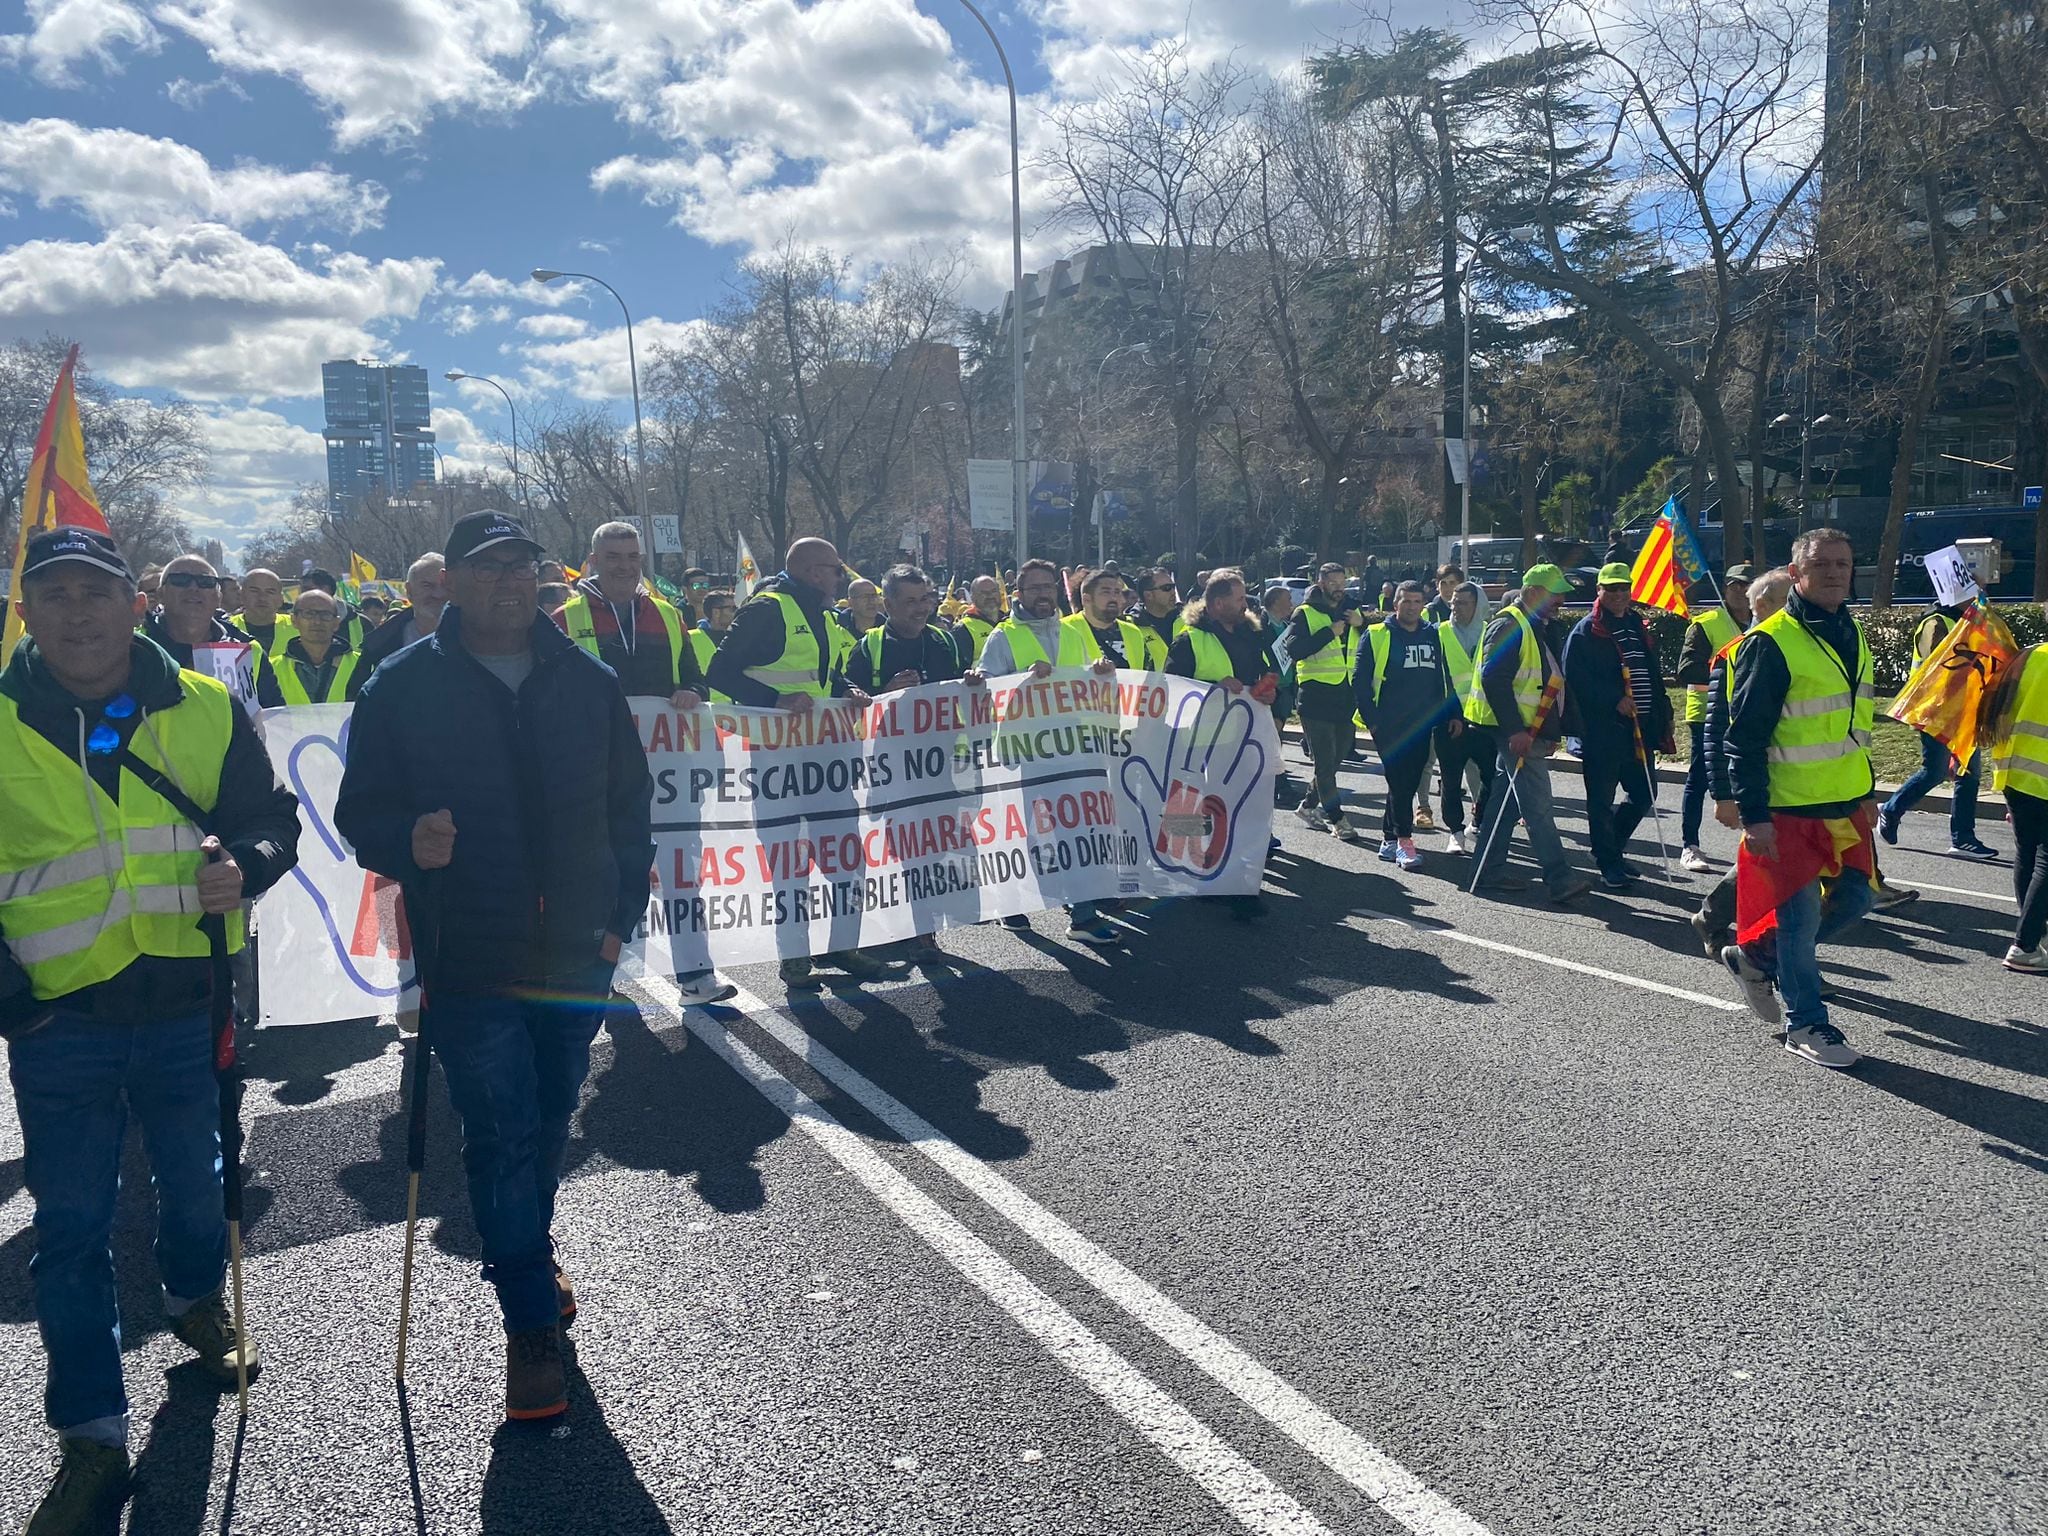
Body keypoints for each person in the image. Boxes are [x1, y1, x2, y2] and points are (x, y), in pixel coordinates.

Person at [0, 527, 299, 1531]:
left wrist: (247, 866)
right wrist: (16, 1002)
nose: (78, 611)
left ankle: (189, 1299)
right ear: (27, 611)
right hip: (60, 1020)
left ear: (134, 603)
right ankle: (91, 1434)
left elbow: (274, 823)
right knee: (72, 1233)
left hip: (183, 1003)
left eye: (96, 592)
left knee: (199, 1179)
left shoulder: (207, 704)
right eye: (56, 595)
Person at [335, 510, 654, 1423]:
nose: (512, 583)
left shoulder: (589, 682)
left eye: (525, 567)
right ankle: (527, 1328)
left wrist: (615, 926)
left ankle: (529, 1242)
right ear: (455, 582)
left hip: (575, 957)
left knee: (550, 1117)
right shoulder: (401, 686)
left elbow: (630, 814)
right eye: (490, 568)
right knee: (500, 1129)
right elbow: (361, 814)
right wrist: (407, 840)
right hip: (467, 956)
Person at [1719, 528, 1879, 1068]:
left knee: (1858, 900)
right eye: (1823, 564)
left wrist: (1868, 790)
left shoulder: (1850, 631)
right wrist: (1753, 816)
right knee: (1800, 921)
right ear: (1796, 574)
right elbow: (1743, 738)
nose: (1836, 572)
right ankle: (1806, 1023)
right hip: (1787, 810)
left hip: (1845, 804)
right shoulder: (1771, 641)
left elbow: (1855, 725)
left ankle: (1755, 956)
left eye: (1844, 562)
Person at [706, 538, 881, 989]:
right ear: (810, 570)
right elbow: (720, 673)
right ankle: (794, 957)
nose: (840, 577)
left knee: (845, 855)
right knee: (790, 861)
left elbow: (822, 673)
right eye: (833, 569)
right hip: (776, 759)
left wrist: (847, 690)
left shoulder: (821, 613)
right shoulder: (767, 609)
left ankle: (843, 946)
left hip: (826, 755)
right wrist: (775, 700)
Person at [982, 560, 1122, 943]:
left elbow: (1088, 676)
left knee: (1077, 829)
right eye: (1035, 588)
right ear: (1019, 595)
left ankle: (1083, 915)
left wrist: (1100, 670)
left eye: (1049, 587)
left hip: (1072, 751)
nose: (1043, 594)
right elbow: (986, 694)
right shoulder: (1002, 637)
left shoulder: (1073, 632)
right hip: (1023, 754)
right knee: (1021, 833)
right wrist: (1023, 677)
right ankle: (1010, 903)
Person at [1467, 565, 1593, 903]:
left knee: (1506, 804)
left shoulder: (1532, 625)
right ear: (1534, 591)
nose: (1562, 600)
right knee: (1537, 806)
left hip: (1524, 731)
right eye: (1556, 593)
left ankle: (1486, 872)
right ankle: (1559, 878)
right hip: (1517, 733)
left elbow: (1544, 681)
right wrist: (1515, 731)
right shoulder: (1512, 624)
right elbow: (1494, 679)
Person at [1691, 567, 1794, 956]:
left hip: (1794, 779)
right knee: (1764, 861)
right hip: (1757, 780)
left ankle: (1726, 924)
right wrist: (1722, 793)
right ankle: (1741, 936)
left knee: (1772, 862)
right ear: (1763, 606)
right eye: (1789, 601)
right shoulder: (1734, 654)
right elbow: (1716, 731)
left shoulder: (1795, 646)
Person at [1166, 569, 1280, 917]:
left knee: (1239, 809)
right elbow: (1172, 688)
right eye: (1240, 598)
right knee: (1199, 809)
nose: (1247, 603)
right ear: (1217, 604)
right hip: (1200, 743)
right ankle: (1196, 871)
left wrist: (1269, 690)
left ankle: (1234, 883)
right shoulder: (1189, 639)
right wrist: (1215, 685)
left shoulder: (1252, 633)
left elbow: (1271, 670)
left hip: (1245, 739)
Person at [1563, 562, 1675, 889]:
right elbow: (1576, 679)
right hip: (1604, 729)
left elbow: (1652, 672)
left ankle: (1611, 847)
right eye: (1611, 588)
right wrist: (1613, 699)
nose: (1618, 594)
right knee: (1601, 799)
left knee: (1644, 792)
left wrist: (1662, 708)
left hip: (1640, 726)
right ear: (1599, 590)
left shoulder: (1637, 624)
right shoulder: (1586, 630)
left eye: (1623, 587)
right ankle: (1607, 861)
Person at [1878, 600, 1999, 860]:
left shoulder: (1968, 622)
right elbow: (1940, 669)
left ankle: (1963, 838)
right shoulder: (1936, 623)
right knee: (1935, 771)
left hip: (1963, 713)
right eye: (1973, 589)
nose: (1979, 595)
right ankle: (1890, 810)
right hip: (1936, 713)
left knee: (1969, 773)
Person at [1356, 581, 1459, 870]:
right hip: (1388, 724)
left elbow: (1444, 677)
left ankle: (1388, 839)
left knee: (1407, 782)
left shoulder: (1434, 635)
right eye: (1406, 601)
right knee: (1399, 780)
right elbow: (1360, 682)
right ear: (1395, 603)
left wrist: (1453, 714)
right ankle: (1404, 841)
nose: (1412, 606)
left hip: (1423, 723)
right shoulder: (1377, 634)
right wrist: (1373, 722)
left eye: (1417, 602)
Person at [554, 522, 707, 701]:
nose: (625, 566)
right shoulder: (562, 620)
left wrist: (693, 692)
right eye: (613, 557)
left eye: (632, 557)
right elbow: (549, 693)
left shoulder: (668, 614)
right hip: (595, 729)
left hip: (660, 729)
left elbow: (695, 680)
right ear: (594, 561)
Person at [1674, 566, 1752, 872]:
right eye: (1735, 585)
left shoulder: (1767, 621)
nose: (1742, 591)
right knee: (1700, 778)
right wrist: (1731, 672)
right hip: (1706, 712)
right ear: (1725, 587)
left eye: (1748, 585)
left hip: (1747, 713)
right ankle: (1689, 846)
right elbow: (1686, 670)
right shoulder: (1706, 623)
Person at [1285, 563, 1364, 841]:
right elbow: (1293, 649)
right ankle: (1338, 819)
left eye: (1342, 581)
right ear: (1320, 582)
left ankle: (1308, 806)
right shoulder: (1304, 613)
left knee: (1336, 759)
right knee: (1324, 763)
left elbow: (1378, 628)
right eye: (1332, 582)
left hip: (1344, 697)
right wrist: (1329, 632)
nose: (1338, 587)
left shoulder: (1351, 610)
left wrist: (1362, 622)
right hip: (1315, 697)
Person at [1981, 642, 2048, 972]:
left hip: (2014, 772)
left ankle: (2035, 937)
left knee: (2027, 852)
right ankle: (2025, 945)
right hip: (2044, 776)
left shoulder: (2030, 655)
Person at [1435, 581, 1493, 853]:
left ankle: (1477, 821)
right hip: (1450, 720)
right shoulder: (1439, 632)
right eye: (1454, 603)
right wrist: (1452, 714)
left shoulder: (1489, 632)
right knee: (1450, 777)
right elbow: (1439, 680)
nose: (1456, 607)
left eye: (1463, 603)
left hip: (1484, 720)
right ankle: (1455, 832)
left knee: (1492, 776)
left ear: (1477, 605)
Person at [845, 565, 965, 693]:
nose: (921, 609)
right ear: (889, 605)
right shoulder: (869, 648)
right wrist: (885, 692)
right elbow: (849, 704)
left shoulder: (945, 640)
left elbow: (964, 691)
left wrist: (972, 681)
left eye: (924, 599)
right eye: (910, 602)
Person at [349, 552, 448, 697]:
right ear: (409, 591)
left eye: (445, 585)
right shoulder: (379, 647)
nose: (438, 594)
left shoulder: (481, 639)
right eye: (427, 586)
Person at [264, 587, 358, 706]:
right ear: (294, 620)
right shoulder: (271, 668)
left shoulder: (361, 664)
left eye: (325, 614)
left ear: (336, 623)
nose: (317, 621)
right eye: (309, 614)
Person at [1062, 567, 1163, 670]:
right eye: (1106, 592)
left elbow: (1146, 677)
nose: (1114, 598)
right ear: (1086, 599)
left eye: (1117, 592)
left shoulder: (1134, 632)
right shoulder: (1062, 629)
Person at [1260, 584, 1298, 742]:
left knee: (1277, 728)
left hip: (1287, 685)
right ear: (1275, 603)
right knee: (1271, 729)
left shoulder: (1287, 626)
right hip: (1269, 686)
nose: (1292, 604)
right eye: (1288, 599)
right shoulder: (1258, 626)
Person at [297, 567, 368, 649]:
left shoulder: (362, 622)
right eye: (302, 590)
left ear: (327, 589)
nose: (303, 594)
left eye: (308, 589)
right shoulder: (295, 619)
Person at [689, 588, 738, 701]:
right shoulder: (692, 638)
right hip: (706, 711)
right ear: (716, 613)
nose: (737, 612)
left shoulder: (738, 639)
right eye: (732, 609)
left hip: (736, 713)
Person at [1128, 567, 1183, 658]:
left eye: (1173, 587)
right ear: (1148, 595)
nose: (1173, 592)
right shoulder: (1131, 625)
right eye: (1166, 588)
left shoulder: (1189, 621)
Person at [951, 575, 1004, 667]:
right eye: (984, 593)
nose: (990, 596)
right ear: (973, 597)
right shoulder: (963, 629)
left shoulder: (1011, 621)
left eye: (994, 591)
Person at [234, 567, 289, 653]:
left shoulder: (299, 628)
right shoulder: (225, 629)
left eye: (270, 592)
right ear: (241, 595)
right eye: (254, 591)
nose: (262, 598)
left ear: (281, 599)